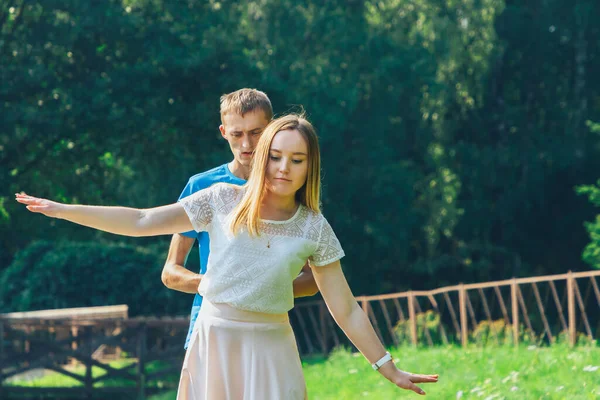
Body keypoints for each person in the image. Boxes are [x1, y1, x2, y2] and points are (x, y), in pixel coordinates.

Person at [16, 113, 439, 399]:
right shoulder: (219, 200)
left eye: (297, 159)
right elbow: (143, 219)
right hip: (213, 340)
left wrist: (387, 366)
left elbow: (345, 309)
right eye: (275, 156)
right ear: (261, 158)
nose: (283, 168)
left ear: (310, 166)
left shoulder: (314, 227)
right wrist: (63, 210)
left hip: (272, 349)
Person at [160, 88, 318, 350]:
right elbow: (170, 273)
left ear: (271, 130)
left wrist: (261, 290)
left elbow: (313, 280)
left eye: (256, 132)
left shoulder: (289, 185)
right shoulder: (201, 187)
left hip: (268, 330)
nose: (246, 144)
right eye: (237, 134)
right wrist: (222, 286)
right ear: (223, 132)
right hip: (209, 328)